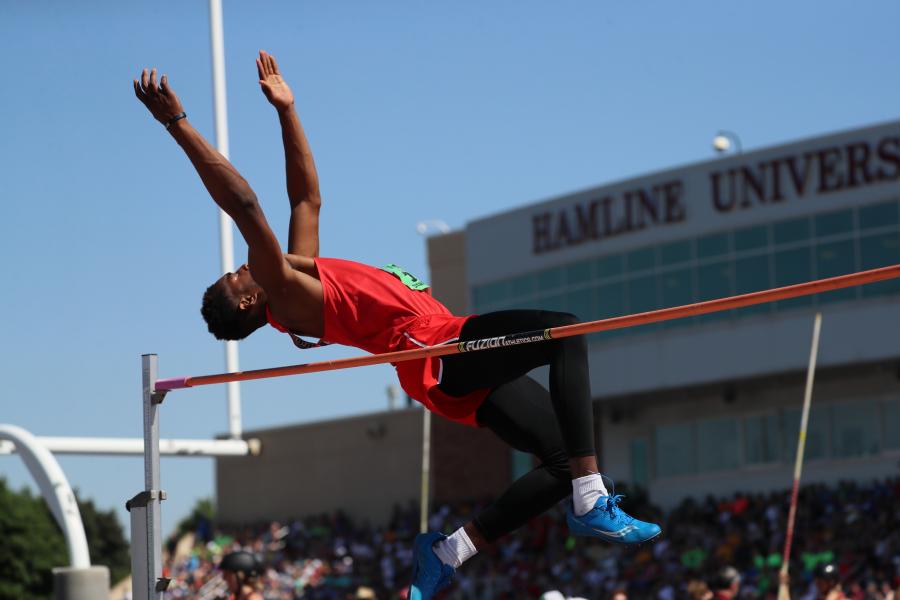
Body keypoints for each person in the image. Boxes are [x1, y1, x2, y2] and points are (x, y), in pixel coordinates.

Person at [133, 51, 661, 600]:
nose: (241, 267)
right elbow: (244, 203)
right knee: (564, 332)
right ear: (245, 305)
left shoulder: (295, 274)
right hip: (439, 349)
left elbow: (306, 199)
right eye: (233, 276)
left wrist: (287, 112)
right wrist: (177, 123)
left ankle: (446, 552)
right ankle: (592, 496)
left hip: (444, 346)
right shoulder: (285, 298)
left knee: (558, 459)